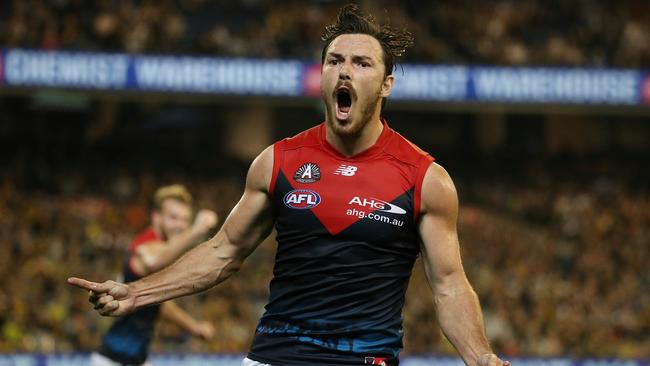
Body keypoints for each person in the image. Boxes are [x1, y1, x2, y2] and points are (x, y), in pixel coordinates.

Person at [70, 5, 511, 366]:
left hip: (364, 359)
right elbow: (223, 253)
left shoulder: (424, 178)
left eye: (361, 63)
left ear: (386, 84)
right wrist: (136, 294)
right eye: (334, 61)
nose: (345, 72)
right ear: (320, 75)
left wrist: (481, 356)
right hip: (275, 355)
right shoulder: (277, 162)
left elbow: (450, 284)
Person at [88, 184, 218, 366]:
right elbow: (151, 259)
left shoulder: (167, 249)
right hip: (113, 360)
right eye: (173, 218)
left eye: (185, 220)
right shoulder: (145, 243)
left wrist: (193, 327)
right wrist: (196, 229)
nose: (180, 225)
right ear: (157, 217)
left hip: (135, 358)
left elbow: (160, 304)